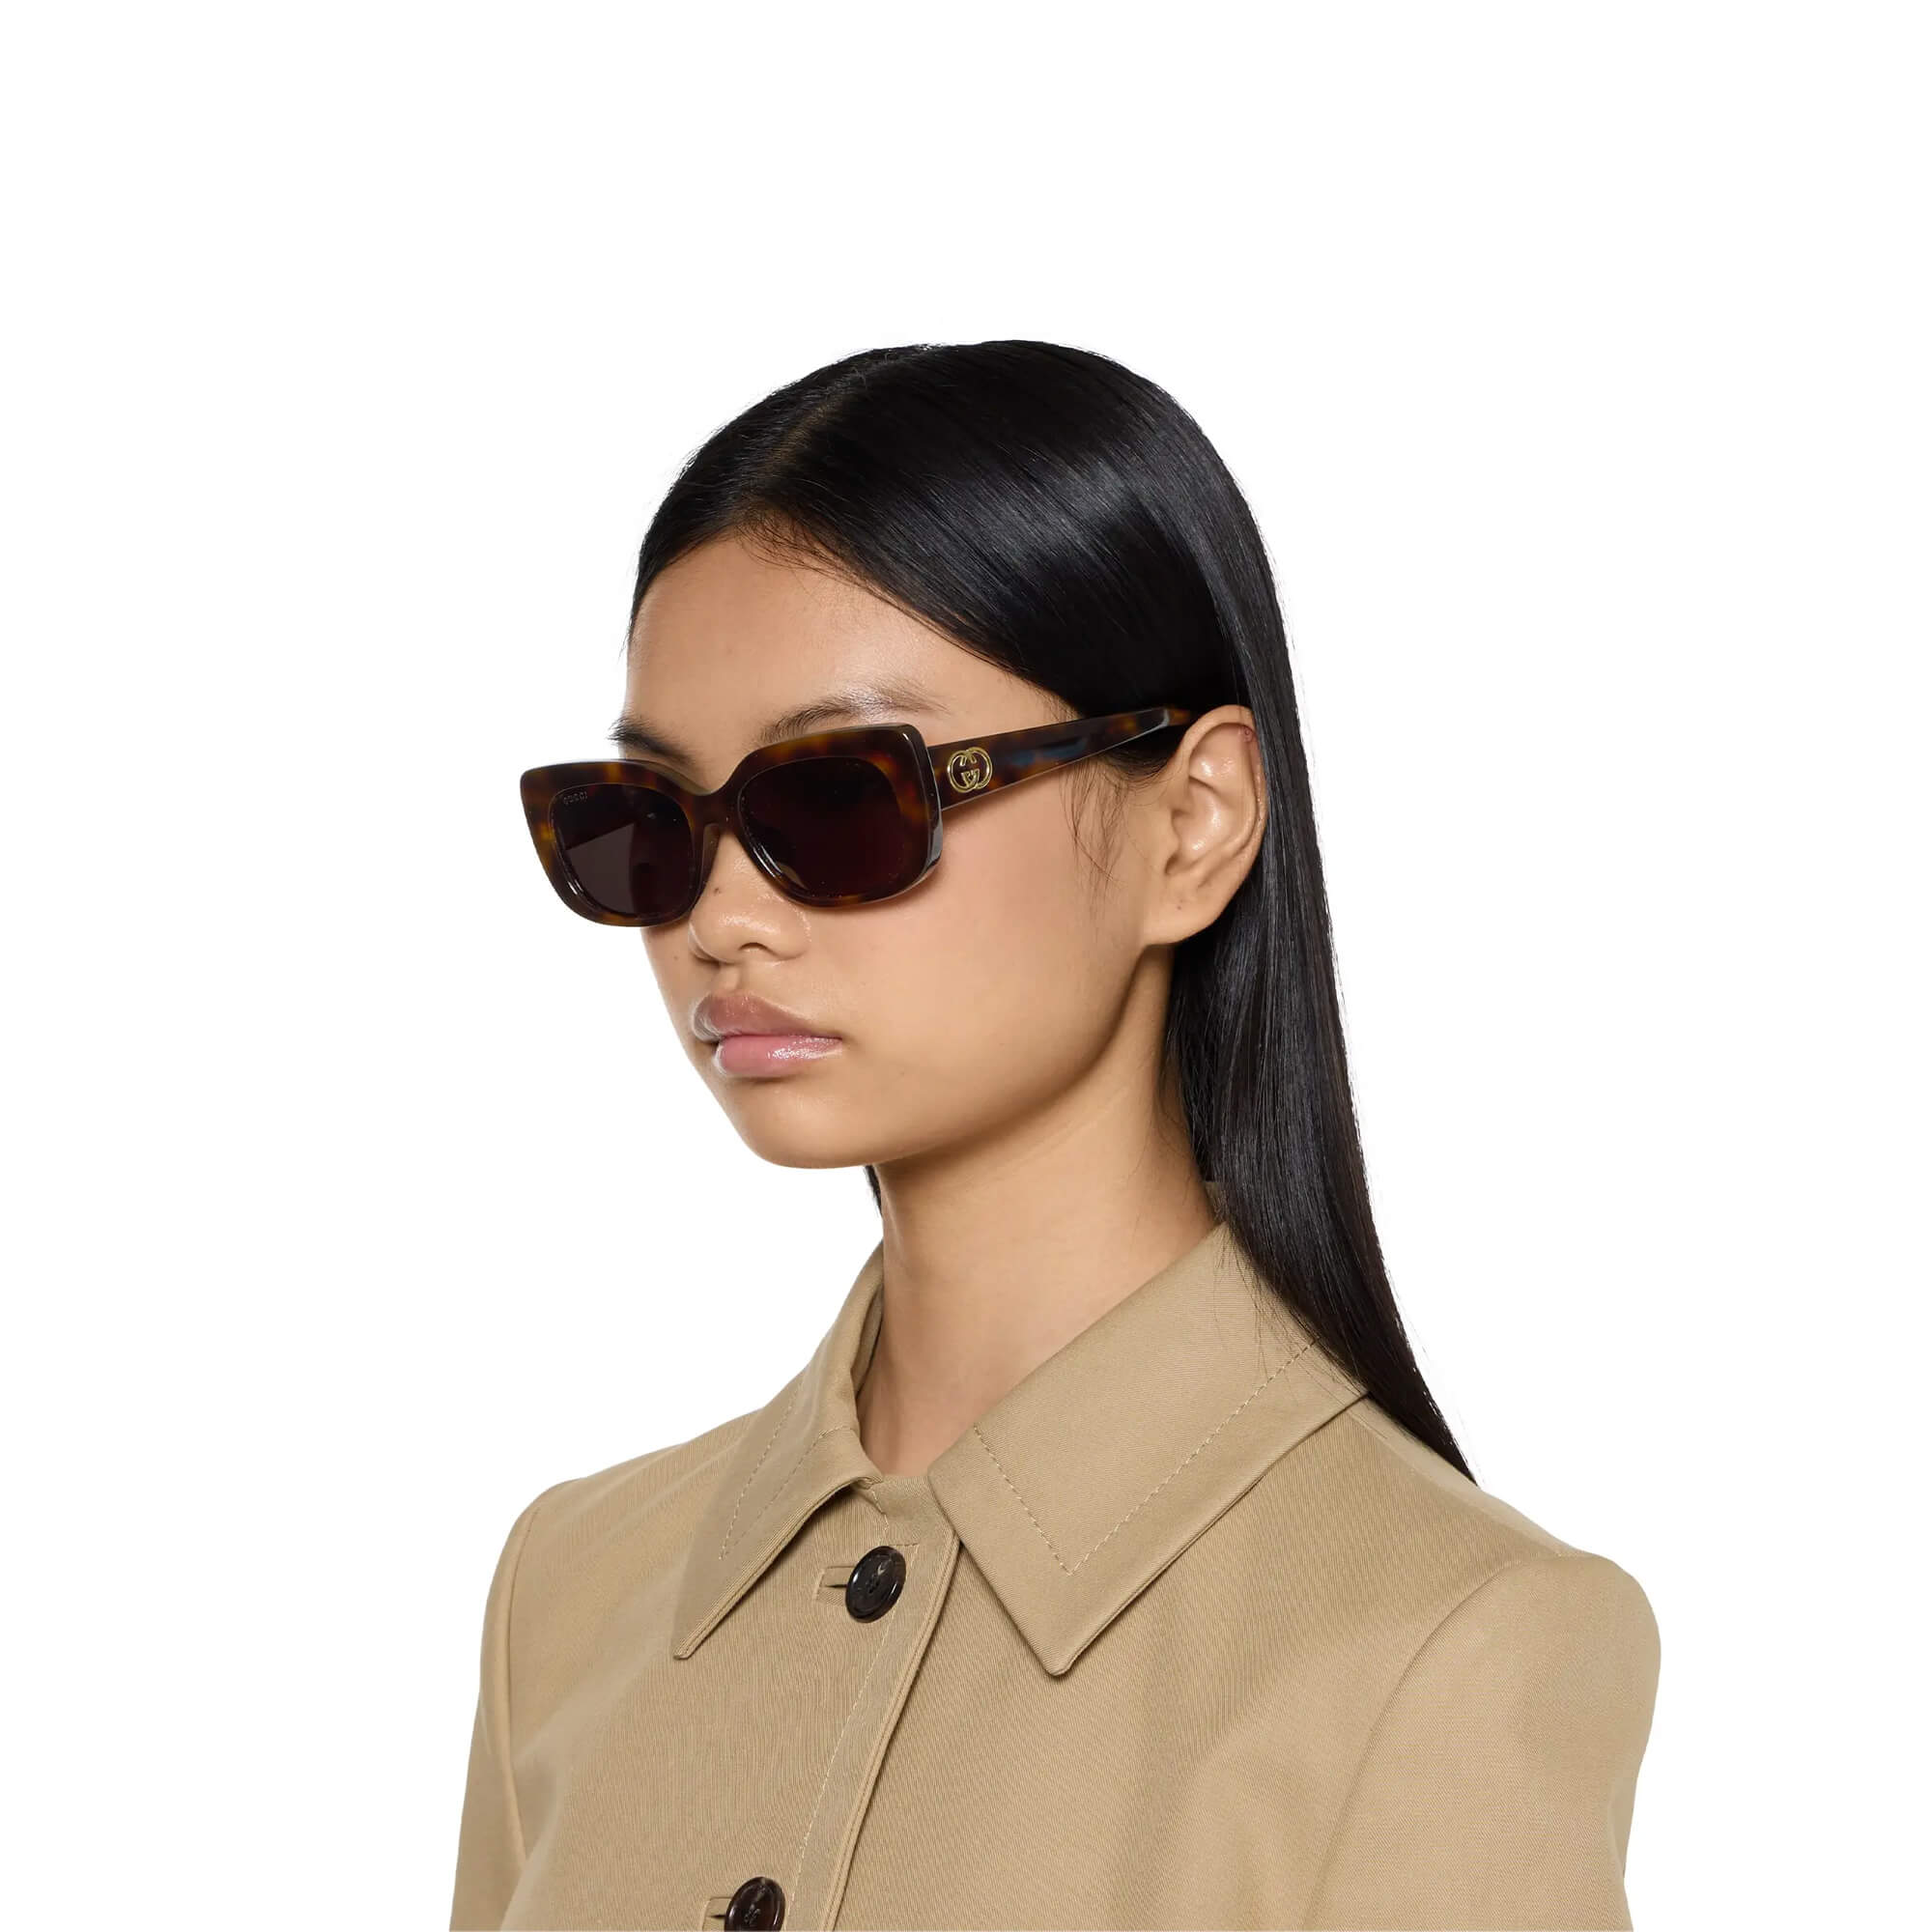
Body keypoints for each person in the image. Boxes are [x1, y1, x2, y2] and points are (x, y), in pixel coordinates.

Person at [450, 341, 1661, 1931]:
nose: (722, 917)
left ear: (1194, 821)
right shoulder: (572, 1596)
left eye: (843, 800)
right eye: (648, 824)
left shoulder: (1446, 1649)